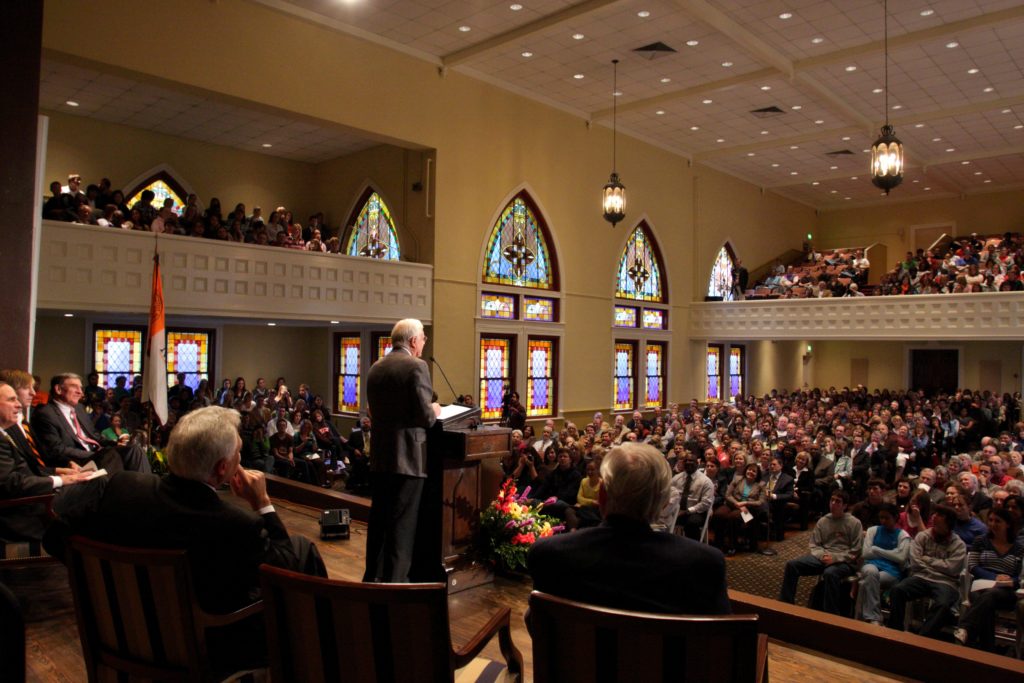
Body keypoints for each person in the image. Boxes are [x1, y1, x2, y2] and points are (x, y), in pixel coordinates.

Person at [45, 405, 326, 672]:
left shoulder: (120, 486)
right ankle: (316, 654)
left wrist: (95, 592)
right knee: (299, 551)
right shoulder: (235, 524)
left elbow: (54, 536)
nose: (241, 459)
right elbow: (285, 570)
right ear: (221, 469)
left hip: (121, 633)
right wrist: (263, 503)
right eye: (239, 453)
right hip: (206, 647)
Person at [528, 442, 730, 615]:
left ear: (602, 496)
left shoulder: (549, 554)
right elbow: (717, 642)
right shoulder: (704, 565)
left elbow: (536, 624)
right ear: (663, 503)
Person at [363, 318, 440, 583]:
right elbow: (426, 418)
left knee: (380, 524)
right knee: (402, 529)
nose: (423, 343)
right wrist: (435, 409)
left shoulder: (376, 367)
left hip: (381, 457)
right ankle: (395, 584)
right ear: (412, 341)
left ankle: (372, 578)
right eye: (422, 338)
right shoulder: (416, 367)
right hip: (408, 459)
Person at [0, 382, 89, 540]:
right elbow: (10, 483)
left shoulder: (4, 434)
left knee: (99, 479)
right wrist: (59, 480)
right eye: (12, 400)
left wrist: (62, 475)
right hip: (29, 512)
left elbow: (26, 471)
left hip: (36, 497)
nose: (18, 405)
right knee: (98, 483)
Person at [31, 373, 149, 473]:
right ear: (58, 389)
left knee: (134, 449)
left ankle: (146, 492)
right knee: (111, 455)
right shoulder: (45, 413)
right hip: (78, 460)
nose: (80, 392)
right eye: (75, 387)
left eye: (81, 388)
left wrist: (115, 443)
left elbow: (95, 436)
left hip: (98, 453)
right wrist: (95, 454)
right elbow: (57, 449)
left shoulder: (79, 409)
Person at [886, 505, 967, 639]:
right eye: (934, 515)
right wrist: (938, 566)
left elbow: (952, 568)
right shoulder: (923, 536)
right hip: (921, 576)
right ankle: (895, 632)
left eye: (939, 516)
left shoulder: (958, 544)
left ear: (948, 522)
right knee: (897, 590)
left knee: (943, 604)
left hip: (946, 582)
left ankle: (923, 638)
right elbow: (915, 561)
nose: (934, 518)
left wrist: (927, 559)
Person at [779, 490, 863, 615]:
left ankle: (830, 614)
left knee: (830, 573)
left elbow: (855, 551)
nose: (833, 504)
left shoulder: (854, 523)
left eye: (838, 502)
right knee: (792, 565)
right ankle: (786, 605)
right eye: (832, 500)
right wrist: (823, 556)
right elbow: (814, 545)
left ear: (845, 506)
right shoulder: (823, 521)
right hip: (823, 556)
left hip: (845, 561)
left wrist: (834, 558)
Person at [954, 508, 1024, 650]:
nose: (992, 524)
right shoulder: (981, 541)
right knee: (986, 601)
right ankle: (988, 650)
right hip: (981, 585)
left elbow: (1021, 575)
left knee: (990, 595)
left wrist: (1010, 582)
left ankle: (965, 629)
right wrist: (994, 577)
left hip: (1006, 591)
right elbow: (972, 565)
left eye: (997, 521)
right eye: (990, 520)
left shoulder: (1019, 548)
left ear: (1008, 524)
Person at [858, 503, 911, 625]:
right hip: (871, 565)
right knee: (871, 572)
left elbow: (901, 558)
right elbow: (866, 553)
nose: (883, 521)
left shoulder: (903, 535)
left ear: (895, 518)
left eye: (887, 518)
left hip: (891, 572)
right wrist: (892, 553)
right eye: (881, 517)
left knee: (871, 578)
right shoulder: (873, 530)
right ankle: (875, 617)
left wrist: (876, 549)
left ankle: (872, 617)